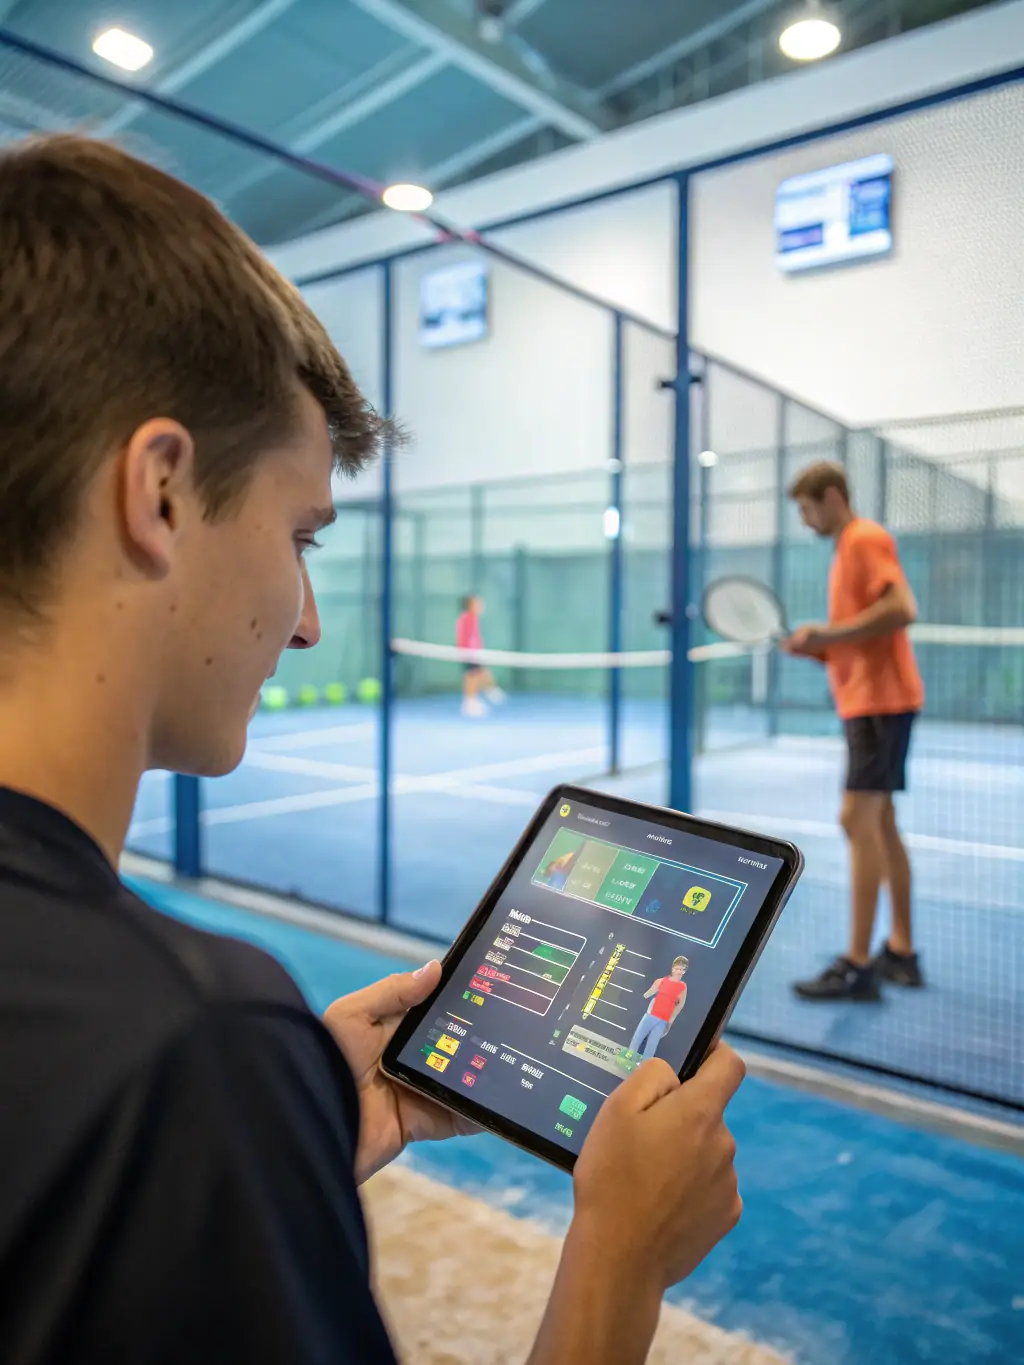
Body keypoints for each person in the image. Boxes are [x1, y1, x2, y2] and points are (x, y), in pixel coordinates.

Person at [0, 134, 746, 1365]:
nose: (305, 621)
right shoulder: (181, 1043)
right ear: (161, 495)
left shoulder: (182, 1069)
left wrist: (287, 1126)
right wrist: (623, 1256)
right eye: (303, 535)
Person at [783, 461, 925, 1001]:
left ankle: (858, 965)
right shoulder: (847, 551)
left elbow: (901, 609)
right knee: (882, 823)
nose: (805, 519)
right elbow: (859, 640)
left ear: (833, 497)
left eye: (806, 507)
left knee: (855, 819)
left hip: (879, 706)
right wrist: (819, 648)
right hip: (872, 704)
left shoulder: (864, 538)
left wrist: (828, 632)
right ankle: (902, 952)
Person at [630, 957, 689, 1059]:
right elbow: (648, 993)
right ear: (673, 969)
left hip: (664, 1019)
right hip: (651, 1014)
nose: (679, 971)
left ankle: (645, 1065)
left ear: (684, 971)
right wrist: (639, 995)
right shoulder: (661, 981)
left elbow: (681, 1004)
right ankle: (628, 1057)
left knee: (652, 1044)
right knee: (638, 1037)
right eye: (677, 968)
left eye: (682, 969)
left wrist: (671, 1018)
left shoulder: (683, 986)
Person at [456, 592, 505, 716]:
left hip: (475, 653)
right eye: (477, 604)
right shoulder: (466, 618)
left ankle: (486, 692)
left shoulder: (473, 618)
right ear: (469, 605)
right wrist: (470, 653)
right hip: (469, 654)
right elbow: (465, 638)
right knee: (472, 676)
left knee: (478, 674)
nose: (480, 606)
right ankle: (471, 702)